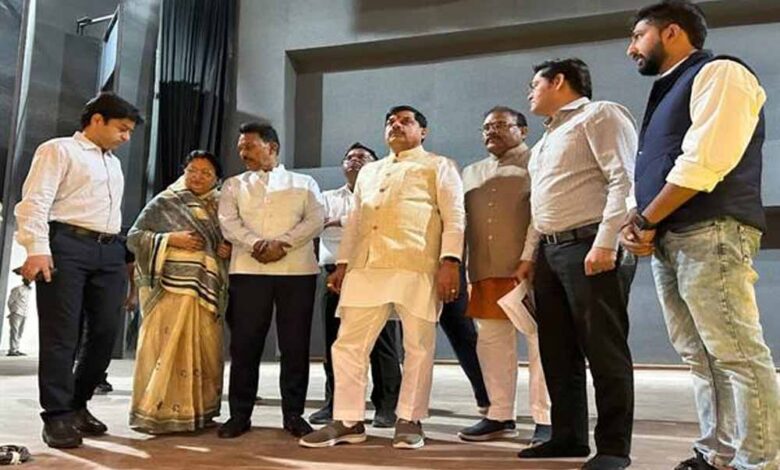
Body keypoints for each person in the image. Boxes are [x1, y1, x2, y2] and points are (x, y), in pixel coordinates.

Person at [622, 2, 780, 469]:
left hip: (711, 230)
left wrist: (646, 220)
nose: (631, 48)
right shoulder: (670, 89)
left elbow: (706, 160)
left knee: (737, 352)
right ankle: (718, 453)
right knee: (700, 355)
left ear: (672, 32)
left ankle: (760, 461)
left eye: (638, 36)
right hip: (671, 236)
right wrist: (637, 219)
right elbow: (655, 168)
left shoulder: (721, 73)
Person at [299, 105, 465, 450]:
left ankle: (409, 419)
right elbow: (355, 221)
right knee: (347, 345)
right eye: (391, 122)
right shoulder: (370, 172)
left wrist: (450, 261)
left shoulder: (439, 165)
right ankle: (348, 420)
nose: (396, 126)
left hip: (416, 264)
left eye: (406, 121)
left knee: (418, 346)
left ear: (423, 131)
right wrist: (343, 264)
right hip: (366, 268)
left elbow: (455, 216)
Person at [516, 59, 637, 470]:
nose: (529, 93)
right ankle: (567, 436)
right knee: (557, 350)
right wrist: (529, 255)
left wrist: (606, 242)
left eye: (534, 84)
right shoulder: (545, 140)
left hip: (591, 244)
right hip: (551, 253)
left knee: (604, 349)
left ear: (559, 81)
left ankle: (614, 449)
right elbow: (540, 205)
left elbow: (623, 179)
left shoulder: (600, 114)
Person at [13, 92, 143, 448]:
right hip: (67, 246)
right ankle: (56, 415)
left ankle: (78, 404)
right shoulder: (58, 150)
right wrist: (37, 249)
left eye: (130, 132)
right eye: (122, 128)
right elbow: (35, 202)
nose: (126, 137)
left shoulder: (113, 163)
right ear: (97, 120)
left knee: (104, 333)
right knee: (61, 335)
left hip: (109, 249)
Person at [218, 121, 324, 439]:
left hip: (297, 272)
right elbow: (228, 222)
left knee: (295, 345)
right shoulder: (233, 185)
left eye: (249, 146)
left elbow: (315, 219)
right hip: (248, 272)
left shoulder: (304, 182)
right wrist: (256, 244)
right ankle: (239, 415)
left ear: (272, 147)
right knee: (244, 345)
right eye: (240, 147)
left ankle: (293, 414)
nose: (243, 152)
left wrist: (283, 243)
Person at [457, 106, 551, 444]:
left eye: (500, 125)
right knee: (492, 344)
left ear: (523, 130)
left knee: (542, 344)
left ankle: (546, 418)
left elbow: (542, 214)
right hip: (483, 271)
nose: (491, 132)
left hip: (531, 269)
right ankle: (499, 414)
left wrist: (529, 256)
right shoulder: (470, 172)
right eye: (486, 127)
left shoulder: (540, 160)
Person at [127, 150, 231, 434]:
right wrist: (170, 238)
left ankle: (199, 412)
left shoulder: (223, 206)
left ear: (217, 178)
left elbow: (229, 242)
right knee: (165, 348)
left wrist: (227, 250)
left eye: (206, 173)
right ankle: (156, 412)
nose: (197, 177)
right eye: (192, 170)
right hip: (169, 290)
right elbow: (134, 238)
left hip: (207, 291)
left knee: (206, 350)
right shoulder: (166, 201)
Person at [310, 142, 402, 428]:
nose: (354, 161)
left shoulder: (383, 194)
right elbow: (316, 224)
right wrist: (347, 223)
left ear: (376, 164)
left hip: (374, 272)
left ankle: (387, 406)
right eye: (349, 157)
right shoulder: (326, 197)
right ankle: (335, 403)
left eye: (362, 157)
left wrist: (339, 221)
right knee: (335, 342)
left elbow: (379, 225)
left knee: (383, 343)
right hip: (333, 276)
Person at [6, 278, 32, 357]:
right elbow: (10, 301)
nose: (30, 281)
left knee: (20, 332)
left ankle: (16, 349)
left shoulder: (29, 290)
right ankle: (12, 350)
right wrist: (13, 311)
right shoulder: (18, 289)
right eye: (28, 279)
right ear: (24, 280)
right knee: (15, 331)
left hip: (24, 313)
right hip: (17, 312)